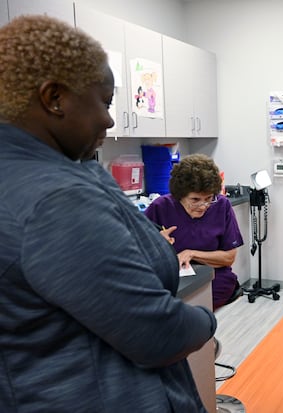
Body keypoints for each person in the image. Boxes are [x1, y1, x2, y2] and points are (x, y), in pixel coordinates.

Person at [0, 15, 216, 412]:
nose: (110, 119)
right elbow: (156, 333)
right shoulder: (56, 199)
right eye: (105, 102)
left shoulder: (26, 175)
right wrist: (207, 322)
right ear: (55, 98)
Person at [144, 153, 244, 310]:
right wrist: (157, 244)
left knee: (190, 308)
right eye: (195, 200)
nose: (203, 205)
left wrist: (191, 253)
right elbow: (137, 250)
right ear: (179, 196)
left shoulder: (222, 205)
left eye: (209, 198)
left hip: (214, 278)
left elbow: (229, 257)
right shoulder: (160, 207)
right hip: (172, 278)